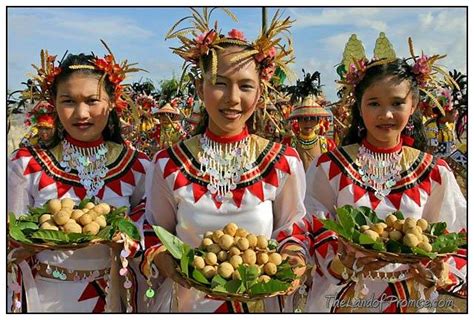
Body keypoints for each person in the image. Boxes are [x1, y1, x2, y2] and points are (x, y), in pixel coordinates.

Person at [142, 9, 309, 313]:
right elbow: (154, 231)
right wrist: (169, 263)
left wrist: (294, 261)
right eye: (219, 83)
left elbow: (292, 228)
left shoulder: (283, 162)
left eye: (245, 86)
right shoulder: (168, 163)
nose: (232, 98)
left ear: (260, 93)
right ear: (199, 88)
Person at [303, 54, 466, 312]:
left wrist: (440, 269)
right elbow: (311, 226)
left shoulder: (434, 172)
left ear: (413, 106)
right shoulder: (330, 166)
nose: (386, 114)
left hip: (410, 302)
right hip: (345, 300)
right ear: (359, 106)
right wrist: (341, 262)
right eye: (374, 103)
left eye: (398, 103)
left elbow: (457, 234)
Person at [7, 45, 150, 313]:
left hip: (112, 297)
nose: (81, 114)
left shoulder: (137, 164)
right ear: (54, 104)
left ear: (111, 102)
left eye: (92, 101)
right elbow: (10, 232)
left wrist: (129, 236)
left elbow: (151, 220)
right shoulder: (27, 164)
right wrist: (21, 244)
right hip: (45, 296)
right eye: (69, 101)